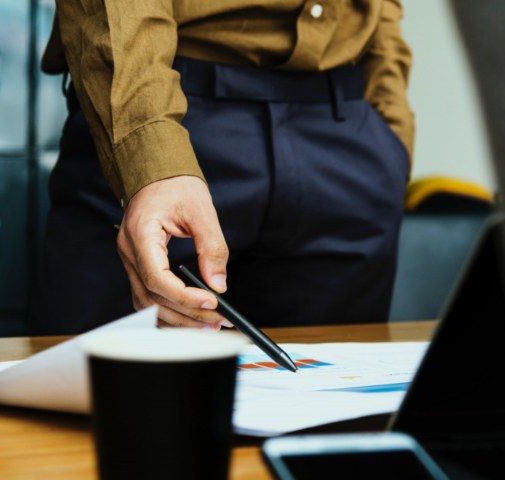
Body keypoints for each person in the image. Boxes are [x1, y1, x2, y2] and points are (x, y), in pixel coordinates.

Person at [33, 1, 414, 335]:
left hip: (341, 132)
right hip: (171, 114)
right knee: (99, 402)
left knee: (336, 408)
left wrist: (390, 138)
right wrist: (150, 153)